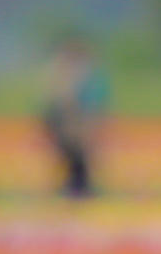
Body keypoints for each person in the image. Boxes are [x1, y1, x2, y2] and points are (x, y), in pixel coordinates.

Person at [38, 35, 108, 198]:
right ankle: (75, 185)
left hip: (75, 123)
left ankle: (77, 185)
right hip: (69, 123)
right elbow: (62, 104)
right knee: (74, 156)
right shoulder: (69, 75)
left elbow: (92, 107)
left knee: (77, 159)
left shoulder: (84, 76)